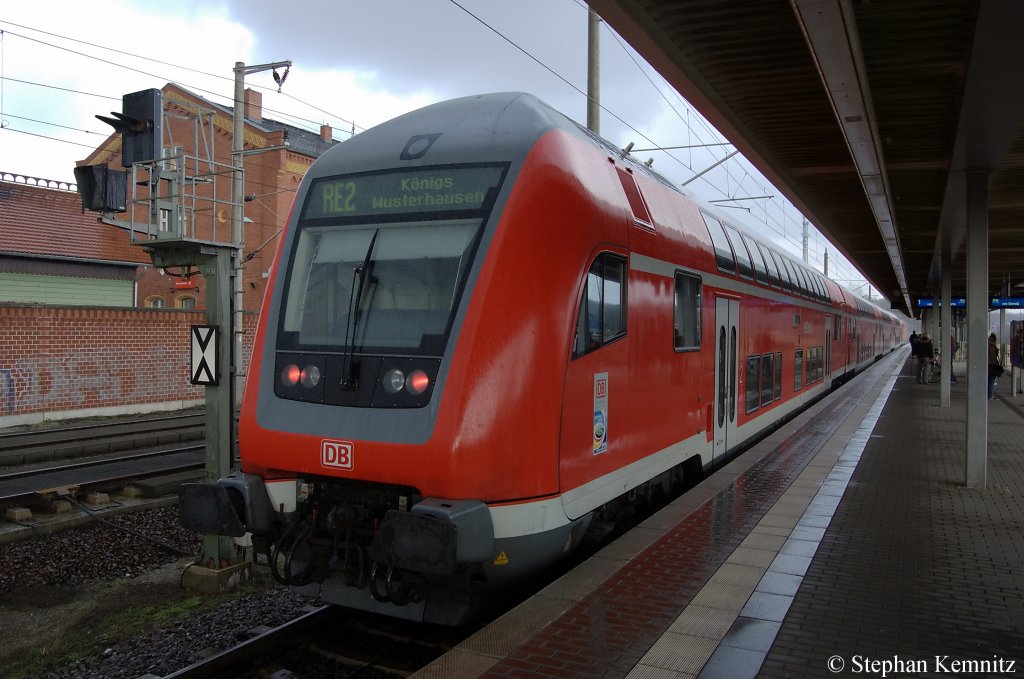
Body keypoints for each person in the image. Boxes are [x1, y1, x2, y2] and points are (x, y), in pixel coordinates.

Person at [988, 332, 1002, 399]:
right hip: (992, 365)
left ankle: (989, 394)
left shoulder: (987, 344)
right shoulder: (992, 346)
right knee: (991, 380)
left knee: (989, 380)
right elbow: (993, 356)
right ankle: (990, 395)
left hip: (988, 364)